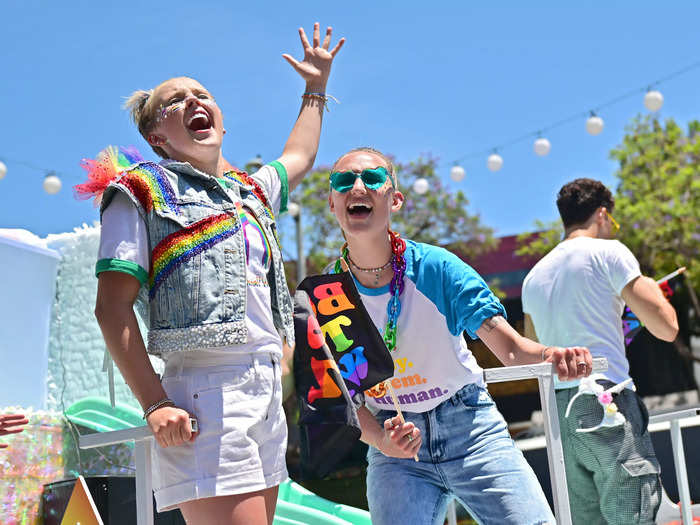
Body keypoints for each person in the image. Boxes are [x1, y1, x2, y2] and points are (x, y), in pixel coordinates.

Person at [80, 24, 344, 525]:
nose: (192, 101)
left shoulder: (249, 191)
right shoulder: (139, 191)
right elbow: (110, 308)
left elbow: (300, 156)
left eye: (201, 94)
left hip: (264, 391)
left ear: (221, 117)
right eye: (174, 102)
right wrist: (154, 403)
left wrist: (315, 89)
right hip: (204, 394)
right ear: (157, 137)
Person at [325, 147, 593, 525]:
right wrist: (382, 440)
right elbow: (344, 397)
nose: (357, 186)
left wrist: (553, 356)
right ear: (332, 203)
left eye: (371, 179)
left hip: (470, 430)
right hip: (393, 447)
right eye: (343, 180)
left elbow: (511, 349)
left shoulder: (437, 267)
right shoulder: (326, 294)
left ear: (395, 199)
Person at [521, 178, 679, 524]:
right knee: (632, 509)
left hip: (557, 411)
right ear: (603, 214)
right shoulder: (610, 252)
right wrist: (649, 288)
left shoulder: (534, 276)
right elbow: (667, 328)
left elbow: (534, 350)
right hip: (603, 397)